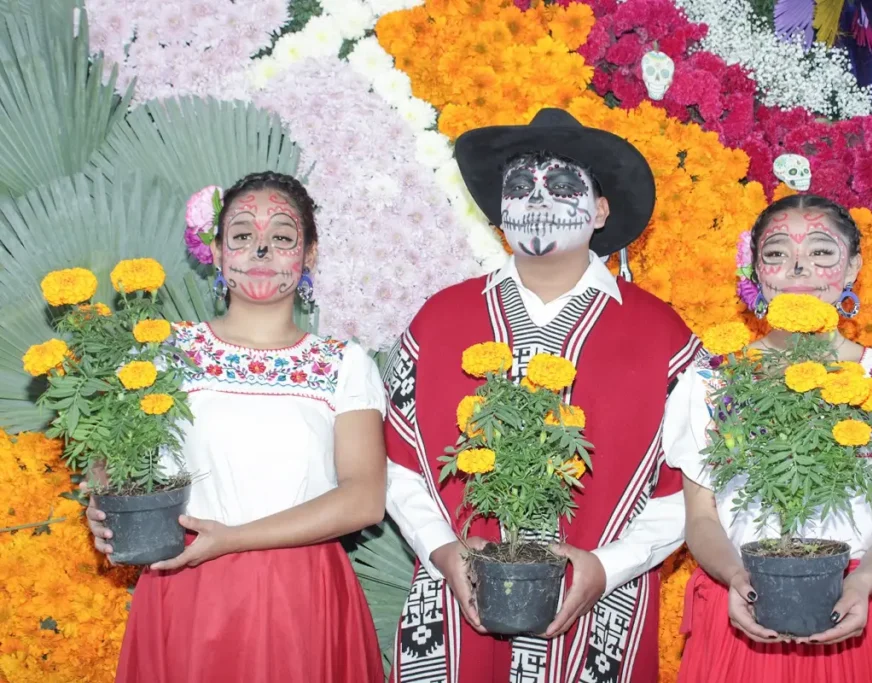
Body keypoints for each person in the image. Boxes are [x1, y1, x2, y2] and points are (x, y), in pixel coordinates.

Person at [382, 108, 703, 683]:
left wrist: (606, 568)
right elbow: (394, 461)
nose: (536, 198)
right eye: (519, 185)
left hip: (604, 607)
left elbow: (695, 485)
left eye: (561, 185)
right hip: (457, 608)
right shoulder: (438, 321)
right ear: (498, 209)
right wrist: (442, 551)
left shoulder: (662, 335)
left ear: (600, 209)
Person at [83, 172, 387, 683]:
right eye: (242, 235)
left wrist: (234, 538)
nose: (261, 248)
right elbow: (114, 464)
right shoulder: (160, 352)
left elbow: (364, 499)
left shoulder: (342, 364)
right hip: (186, 583)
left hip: (304, 595)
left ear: (309, 255)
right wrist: (101, 501)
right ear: (217, 253)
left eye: (283, 237)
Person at [672, 194, 872, 683]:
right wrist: (738, 578)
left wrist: (862, 584)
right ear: (755, 270)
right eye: (776, 254)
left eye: (821, 251)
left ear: (853, 266)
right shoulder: (711, 381)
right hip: (740, 612)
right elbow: (702, 519)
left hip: (857, 609)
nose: (800, 268)